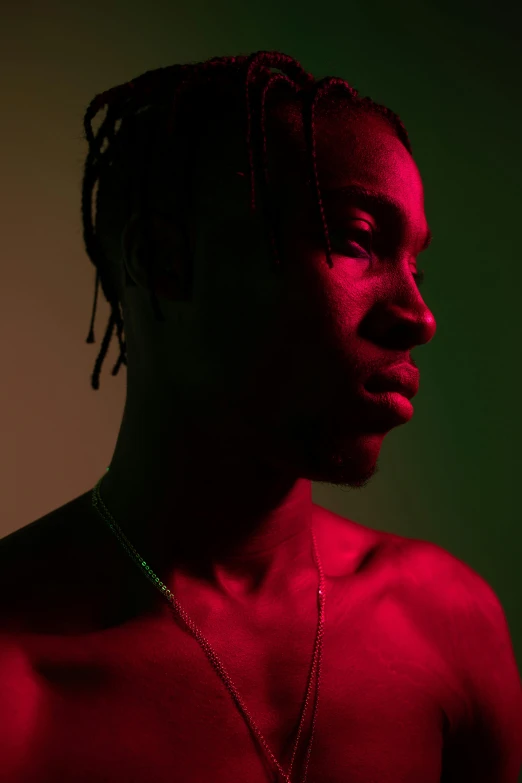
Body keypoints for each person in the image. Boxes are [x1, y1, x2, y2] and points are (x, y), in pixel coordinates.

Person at [1, 51, 521, 783]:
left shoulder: (447, 624)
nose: (418, 316)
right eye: (356, 239)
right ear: (161, 260)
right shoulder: (18, 678)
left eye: (416, 266)